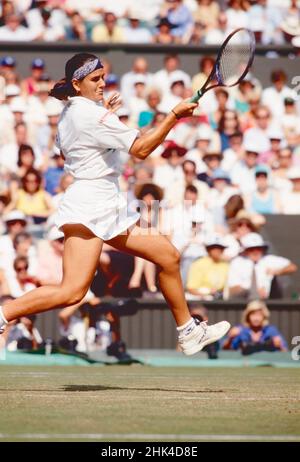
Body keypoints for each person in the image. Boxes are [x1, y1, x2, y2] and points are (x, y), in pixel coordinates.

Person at [0, 52, 230, 356]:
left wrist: (103, 114)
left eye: (102, 76)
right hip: (93, 205)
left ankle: (188, 331)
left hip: (98, 203)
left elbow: (87, 144)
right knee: (73, 291)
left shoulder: (72, 111)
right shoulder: (92, 115)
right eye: (94, 79)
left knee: (167, 257)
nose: (102, 83)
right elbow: (142, 150)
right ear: (76, 83)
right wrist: (174, 115)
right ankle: (4, 314)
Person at [223, 299, 287, 354]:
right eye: (253, 314)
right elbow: (225, 351)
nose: (256, 318)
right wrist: (230, 339)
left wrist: (280, 346)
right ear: (248, 316)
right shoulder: (240, 330)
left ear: (264, 316)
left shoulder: (271, 331)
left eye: (259, 315)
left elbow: (285, 353)